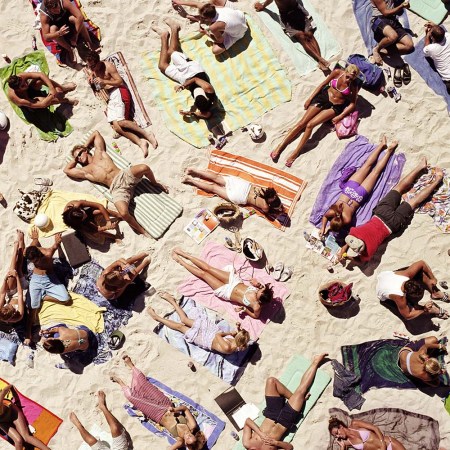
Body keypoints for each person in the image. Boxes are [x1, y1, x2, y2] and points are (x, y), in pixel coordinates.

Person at [63, 130, 167, 236]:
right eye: (77, 158)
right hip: (116, 189)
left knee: (144, 167)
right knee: (123, 213)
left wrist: (84, 146)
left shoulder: (99, 153)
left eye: (80, 154)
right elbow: (66, 170)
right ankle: (142, 231)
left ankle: (154, 183)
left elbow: (96, 133)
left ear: (86, 151)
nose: (79, 157)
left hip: (124, 175)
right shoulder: (85, 171)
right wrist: (75, 159)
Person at [338, 160, 444, 262]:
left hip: (392, 225)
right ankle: (420, 166)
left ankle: (438, 179)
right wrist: (345, 248)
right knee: (398, 189)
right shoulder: (354, 231)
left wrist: (349, 258)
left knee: (414, 202)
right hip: (381, 213)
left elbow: (361, 261)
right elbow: (351, 238)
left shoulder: (368, 252)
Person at [271, 65, 360, 168]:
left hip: (335, 106)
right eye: (348, 77)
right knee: (301, 124)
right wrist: (310, 98)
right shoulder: (337, 73)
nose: (349, 80)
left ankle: (295, 153)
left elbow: (353, 104)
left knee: (310, 125)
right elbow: (323, 84)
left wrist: (340, 116)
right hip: (324, 98)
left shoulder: (353, 86)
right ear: (346, 71)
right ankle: (279, 147)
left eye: (352, 78)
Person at [111, 355, 206, 450]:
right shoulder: (192, 425)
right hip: (165, 404)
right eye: (191, 437)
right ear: (195, 437)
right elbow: (185, 408)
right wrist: (174, 409)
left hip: (156, 414)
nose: (188, 436)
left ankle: (120, 382)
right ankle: (131, 366)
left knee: (131, 397)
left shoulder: (180, 441)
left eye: (188, 439)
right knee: (144, 384)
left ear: (186, 443)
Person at [242, 353, 328, 450]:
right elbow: (290, 448)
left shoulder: (247, 443)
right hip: (285, 420)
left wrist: (260, 433)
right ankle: (316, 362)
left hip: (272, 413)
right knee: (301, 390)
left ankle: (294, 397)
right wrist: (276, 443)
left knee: (271, 381)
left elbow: (247, 421)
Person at [320, 136, 397, 235]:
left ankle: (389, 152)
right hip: (349, 189)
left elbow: (346, 228)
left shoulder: (346, 220)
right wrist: (323, 228)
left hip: (359, 196)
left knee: (375, 172)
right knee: (366, 165)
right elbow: (325, 217)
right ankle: (382, 145)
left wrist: (327, 229)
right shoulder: (332, 211)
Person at [85, 51, 158, 157]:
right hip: (111, 96)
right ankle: (141, 142)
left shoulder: (108, 67)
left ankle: (147, 135)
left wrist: (105, 82)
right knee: (117, 128)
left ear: (98, 62)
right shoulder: (93, 69)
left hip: (119, 91)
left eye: (92, 66)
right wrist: (91, 75)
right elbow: (92, 71)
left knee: (121, 122)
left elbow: (119, 81)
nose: (90, 68)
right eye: (88, 65)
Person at [171, 247, 274, 319]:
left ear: (260, 300)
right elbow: (261, 286)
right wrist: (257, 284)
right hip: (233, 281)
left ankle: (181, 262)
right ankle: (184, 254)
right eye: (260, 290)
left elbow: (256, 316)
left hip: (226, 292)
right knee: (208, 268)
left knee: (204, 274)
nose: (258, 291)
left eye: (258, 293)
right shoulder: (261, 289)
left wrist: (245, 310)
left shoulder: (256, 307)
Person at [147, 291, 251, 354]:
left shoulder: (228, 347)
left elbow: (218, 336)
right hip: (211, 331)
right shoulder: (238, 342)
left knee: (180, 327)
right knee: (184, 320)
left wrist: (229, 333)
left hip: (206, 339)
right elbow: (237, 335)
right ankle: (172, 301)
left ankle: (157, 318)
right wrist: (237, 329)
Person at [157, 19, 217, 120]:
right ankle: (175, 28)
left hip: (184, 80)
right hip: (193, 72)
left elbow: (203, 114)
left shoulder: (203, 109)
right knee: (171, 52)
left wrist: (190, 113)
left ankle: (164, 36)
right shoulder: (208, 90)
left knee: (162, 66)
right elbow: (195, 80)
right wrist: (182, 86)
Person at [24, 226, 70, 345]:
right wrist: (35, 238)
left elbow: (56, 246)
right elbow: (34, 243)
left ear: (40, 254)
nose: (35, 262)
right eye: (33, 261)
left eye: (36, 260)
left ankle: (43, 297)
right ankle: (28, 334)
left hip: (50, 279)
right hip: (36, 280)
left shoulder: (48, 253)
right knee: (32, 308)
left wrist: (58, 242)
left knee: (66, 299)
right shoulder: (30, 251)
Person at [254, 0, 329, 72]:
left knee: (309, 34)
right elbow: (270, 1)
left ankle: (320, 60)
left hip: (297, 10)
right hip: (286, 16)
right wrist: (263, 6)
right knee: (301, 37)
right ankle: (320, 59)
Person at [182, 167, 284, 214]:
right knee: (214, 188)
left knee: (217, 178)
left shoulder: (266, 190)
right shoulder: (266, 206)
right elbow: (266, 211)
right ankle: (189, 180)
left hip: (243, 186)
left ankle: (192, 170)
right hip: (240, 196)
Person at [376, 260, 449, 320]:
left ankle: (436, 293)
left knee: (421, 273)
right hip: (383, 294)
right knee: (412, 309)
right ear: (406, 292)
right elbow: (407, 316)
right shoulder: (399, 296)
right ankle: (433, 310)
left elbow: (421, 263)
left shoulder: (406, 274)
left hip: (386, 276)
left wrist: (432, 278)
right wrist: (424, 309)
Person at [177, 2, 248, 55]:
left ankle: (197, 18)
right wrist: (180, 2)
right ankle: (194, 17)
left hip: (239, 32)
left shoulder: (213, 27)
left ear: (208, 18)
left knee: (215, 51)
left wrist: (205, 33)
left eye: (203, 18)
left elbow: (220, 41)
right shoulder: (214, 7)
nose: (201, 18)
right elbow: (196, 4)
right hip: (241, 16)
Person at [0, 384, 51, 450]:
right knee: (18, 441)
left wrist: (11, 385)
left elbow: (4, 391)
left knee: (26, 437)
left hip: (13, 413)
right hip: (2, 422)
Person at [370, 0, 414, 78]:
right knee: (393, 36)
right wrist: (401, 6)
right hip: (380, 19)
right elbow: (385, 12)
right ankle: (377, 49)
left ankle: (383, 51)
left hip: (393, 20)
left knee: (409, 46)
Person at [7, 72, 78, 110]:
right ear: (17, 90)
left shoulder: (21, 76)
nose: (26, 84)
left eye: (24, 82)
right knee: (43, 101)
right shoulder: (19, 99)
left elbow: (40, 75)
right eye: (22, 86)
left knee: (39, 80)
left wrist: (51, 88)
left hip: (29, 91)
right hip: (28, 101)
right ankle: (65, 100)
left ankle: (63, 88)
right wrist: (52, 95)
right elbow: (42, 105)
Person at [328, 416, 406, 450]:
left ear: (341, 426)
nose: (338, 436)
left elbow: (375, 428)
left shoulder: (355, 424)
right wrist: (342, 447)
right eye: (335, 436)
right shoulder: (346, 442)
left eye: (337, 433)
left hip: (389, 444)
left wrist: (382, 444)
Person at [0, 230, 27, 324]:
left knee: (10, 275)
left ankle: (15, 252)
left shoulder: (0, 311)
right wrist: (17, 278)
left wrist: (5, 279)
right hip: (23, 292)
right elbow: (20, 294)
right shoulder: (19, 315)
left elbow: (2, 293)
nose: (9, 305)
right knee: (18, 268)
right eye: (10, 306)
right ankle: (21, 242)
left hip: (11, 294)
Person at [423, 22, 450, 94]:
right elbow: (442, 32)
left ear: (432, 38)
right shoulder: (448, 36)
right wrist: (435, 27)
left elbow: (426, 48)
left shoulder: (432, 48)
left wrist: (427, 35)